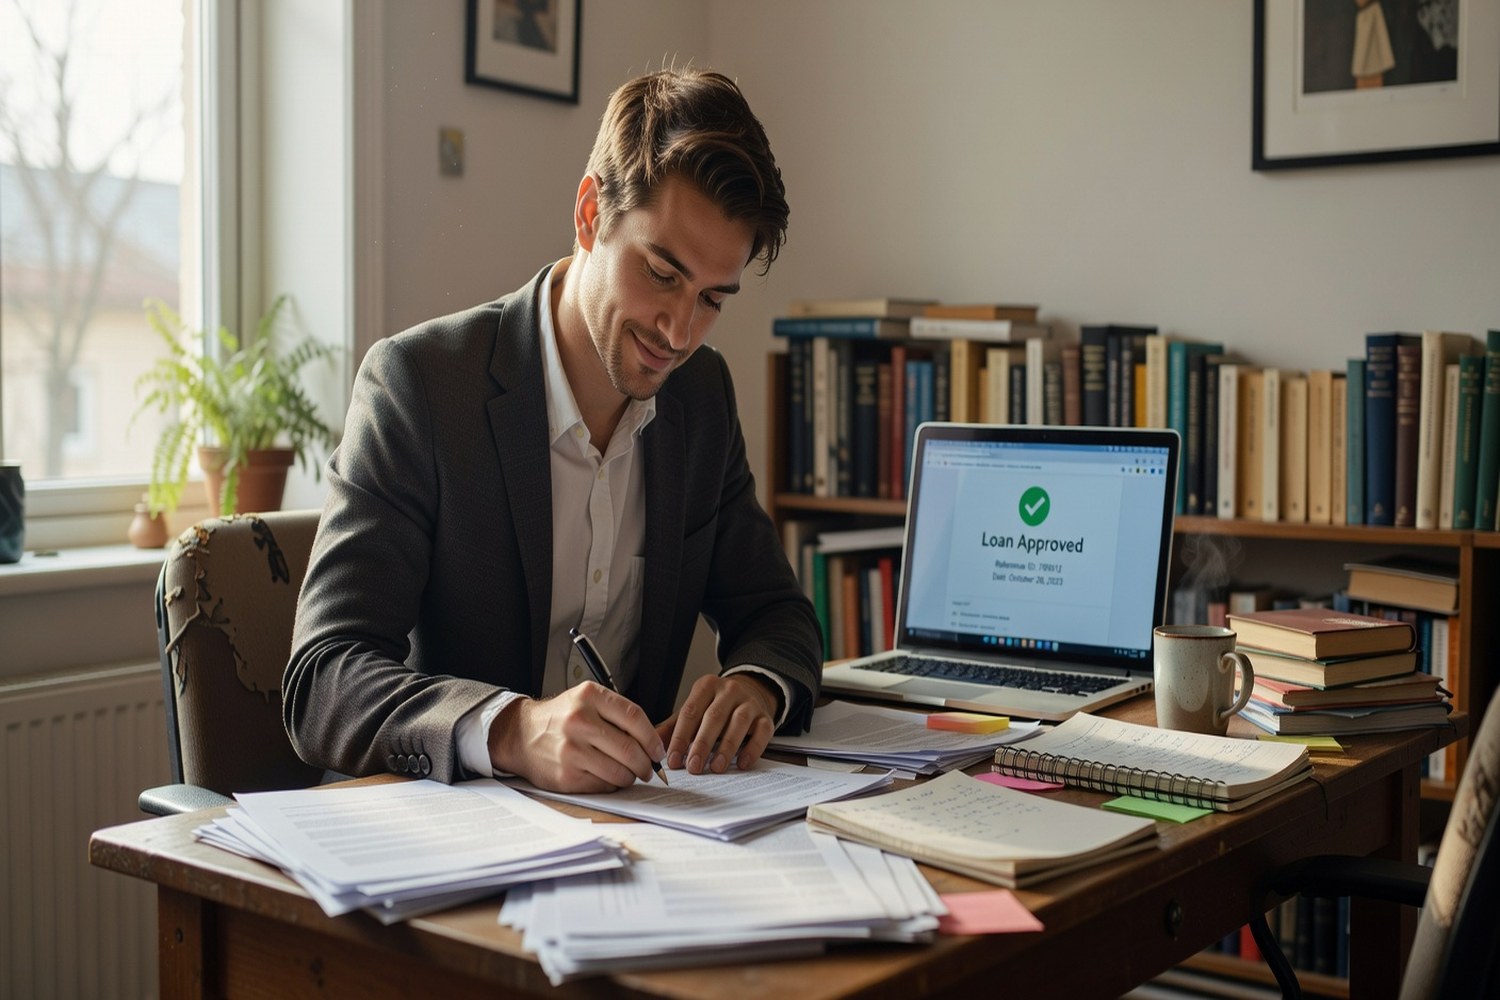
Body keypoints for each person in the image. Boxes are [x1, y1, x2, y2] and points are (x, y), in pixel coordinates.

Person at [283, 67, 821, 794]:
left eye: (712, 299)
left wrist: (756, 686)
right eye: (662, 273)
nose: (679, 330)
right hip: (445, 838)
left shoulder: (701, 399)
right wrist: (508, 730)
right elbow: (323, 680)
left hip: (634, 837)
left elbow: (777, 614)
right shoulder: (419, 387)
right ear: (590, 214)